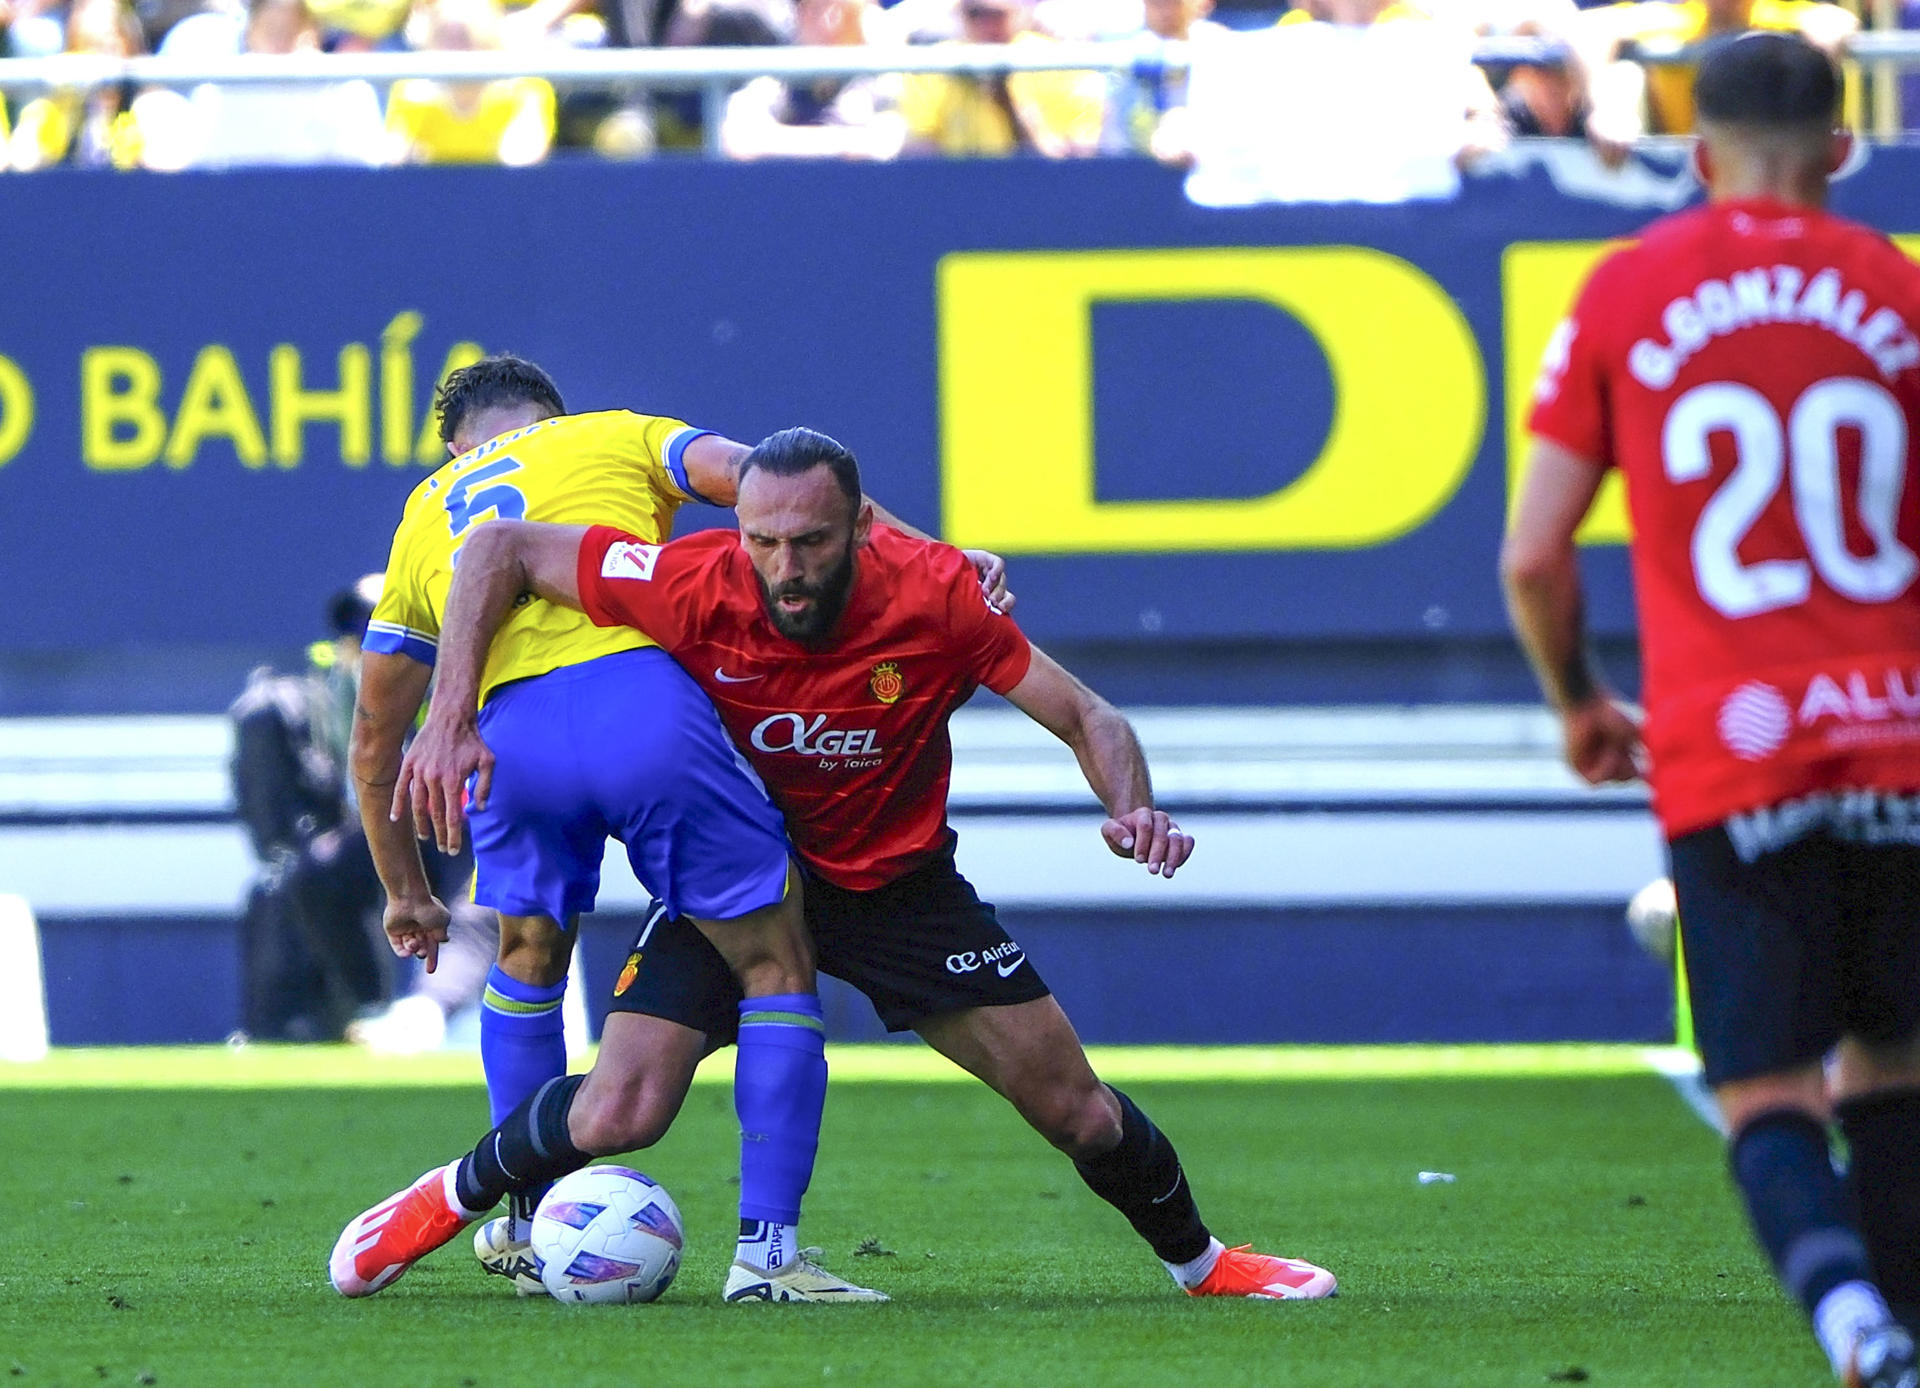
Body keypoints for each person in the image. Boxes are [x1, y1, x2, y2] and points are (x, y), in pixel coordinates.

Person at [349, 425, 1337, 1304]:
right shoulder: (694, 578)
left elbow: (1088, 713)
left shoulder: (939, 597)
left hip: (899, 884)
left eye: (811, 541)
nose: (784, 564)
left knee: (1077, 1110)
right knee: (620, 1108)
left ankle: (1205, 1262)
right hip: (749, 873)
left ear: (863, 529)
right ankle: (446, 1199)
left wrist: (1133, 807)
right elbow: (498, 546)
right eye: (763, 539)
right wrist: (454, 710)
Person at [338, 356, 1001, 1303]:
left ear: (457, 444)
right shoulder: (618, 431)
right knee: (774, 958)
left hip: (509, 741)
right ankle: (768, 1261)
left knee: (526, 958)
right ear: (549, 416)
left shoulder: (423, 515)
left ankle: (533, 1227)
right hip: (639, 712)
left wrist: (404, 889)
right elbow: (778, 483)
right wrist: (937, 559)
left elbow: (374, 733)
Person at [1503, 34, 1920, 1387]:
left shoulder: (1631, 288)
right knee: (1896, 1067)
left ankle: (1855, 1325)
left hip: (1736, 755)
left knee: (1767, 1094)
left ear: (1696, 152)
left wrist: (1578, 700)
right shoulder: (1899, 294)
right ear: (1846, 151)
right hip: (1900, 739)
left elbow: (1532, 552)